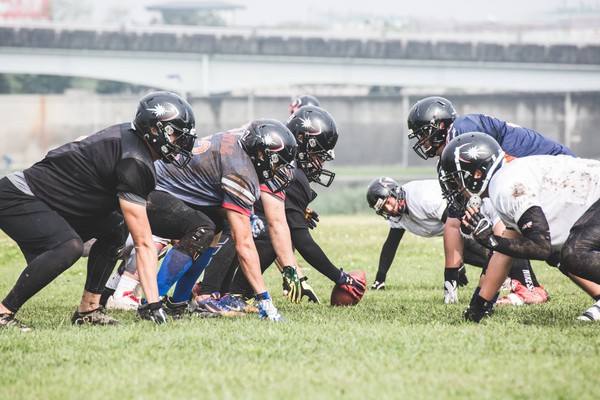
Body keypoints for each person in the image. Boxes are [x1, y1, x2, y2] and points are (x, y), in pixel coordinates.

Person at [0, 91, 197, 330]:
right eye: (175, 134)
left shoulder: (131, 140)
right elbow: (143, 242)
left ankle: (89, 309)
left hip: (49, 199)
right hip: (20, 196)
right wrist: (153, 304)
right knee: (68, 246)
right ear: (155, 130)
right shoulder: (134, 161)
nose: (181, 142)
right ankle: (3, 312)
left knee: (115, 227)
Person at [406, 95, 573, 304]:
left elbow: (500, 214)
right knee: (556, 246)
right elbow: (453, 222)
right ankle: (524, 286)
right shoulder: (451, 156)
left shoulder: (463, 132)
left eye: (423, 134)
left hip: (555, 172)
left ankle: (527, 288)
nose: (423, 142)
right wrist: (450, 284)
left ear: (438, 125)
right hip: (529, 181)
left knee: (545, 237)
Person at [197, 105, 367, 309]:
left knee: (254, 227)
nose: (320, 164)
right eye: (318, 156)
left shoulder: (273, 146)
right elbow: (301, 239)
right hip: (201, 191)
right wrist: (341, 278)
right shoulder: (288, 169)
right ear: (305, 142)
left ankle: (219, 291)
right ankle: (215, 293)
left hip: (205, 187)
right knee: (255, 229)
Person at [138, 119, 298, 321]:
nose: (278, 170)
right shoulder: (241, 170)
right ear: (260, 153)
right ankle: (151, 301)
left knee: (215, 227)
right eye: (277, 162)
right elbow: (244, 245)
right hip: (151, 191)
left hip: (169, 188)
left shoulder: (242, 139)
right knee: (202, 229)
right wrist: (264, 299)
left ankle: (178, 302)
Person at [438, 132, 600, 322]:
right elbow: (504, 255)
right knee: (570, 251)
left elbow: (542, 247)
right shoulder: (504, 180)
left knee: (574, 253)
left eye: (457, 180)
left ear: (477, 174)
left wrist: (490, 240)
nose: (455, 188)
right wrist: (477, 310)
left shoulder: (505, 186)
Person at [366, 177, 544, 304]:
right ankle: (509, 277)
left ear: (394, 192)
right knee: (483, 254)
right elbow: (391, 243)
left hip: (476, 216)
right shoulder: (396, 216)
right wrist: (380, 278)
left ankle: (528, 286)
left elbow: (454, 226)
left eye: (388, 202)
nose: (389, 209)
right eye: (383, 209)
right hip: (462, 226)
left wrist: (456, 270)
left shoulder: (422, 198)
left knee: (498, 247)